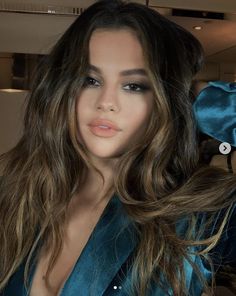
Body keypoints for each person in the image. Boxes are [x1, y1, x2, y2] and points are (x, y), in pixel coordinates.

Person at [0, 1, 235, 295]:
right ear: (62, 88)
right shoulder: (13, 192)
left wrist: (210, 105)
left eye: (134, 85)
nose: (106, 102)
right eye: (91, 80)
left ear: (165, 98)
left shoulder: (198, 212)